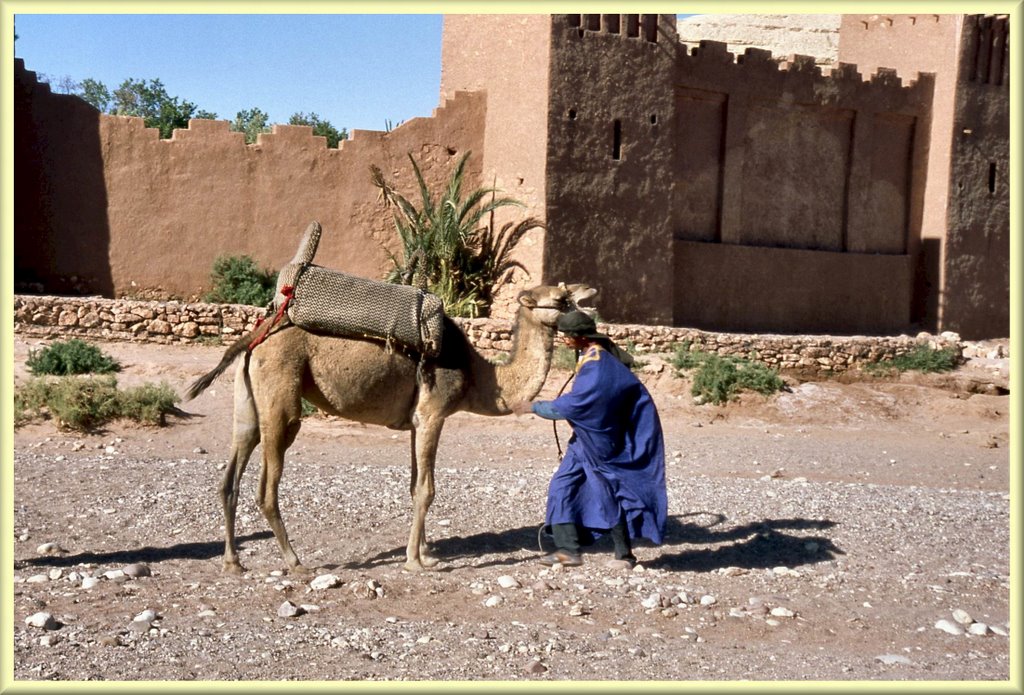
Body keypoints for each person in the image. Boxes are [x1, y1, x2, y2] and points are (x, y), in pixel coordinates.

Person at [514, 310, 668, 569]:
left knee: (608, 493)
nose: (564, 340)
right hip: (583, 440)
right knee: (561, 486)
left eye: (568, 335)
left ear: (581, 337)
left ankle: (625, 555)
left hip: (601, 443)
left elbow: (575, 405)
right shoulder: (589, 357)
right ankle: (568, 551)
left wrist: (533, 407)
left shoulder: (599, 366)